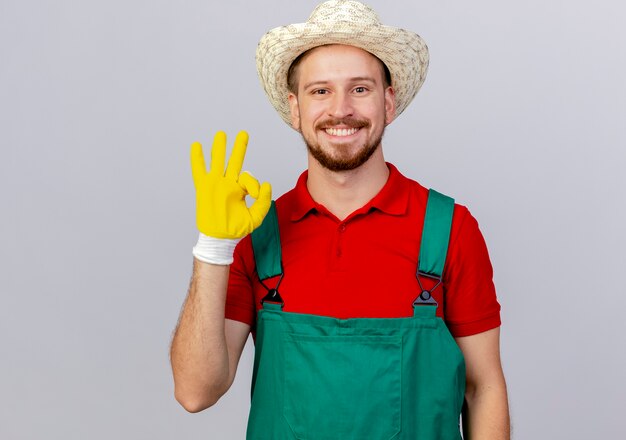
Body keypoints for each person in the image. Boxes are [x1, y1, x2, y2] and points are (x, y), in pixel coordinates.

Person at [170, 1, 510, 438]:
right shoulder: (257, 235)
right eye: (320, 91)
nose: (341, 109)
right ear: (295, 109)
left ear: (388, 101)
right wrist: (213, 246)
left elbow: (483, 388)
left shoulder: (448, 229)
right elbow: (196, 392)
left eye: (360, 89)